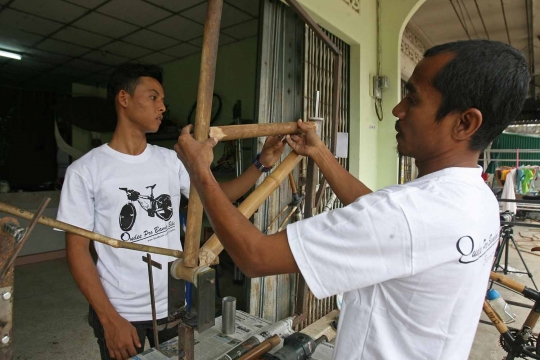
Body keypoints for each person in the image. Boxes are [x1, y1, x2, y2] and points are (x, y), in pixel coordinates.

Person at [173, 40, 529, 359]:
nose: (398, 110)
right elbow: (384, 221)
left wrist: (199, 171)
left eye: (414, 98)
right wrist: (320, 153)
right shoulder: (476, 198)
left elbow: (255, 256)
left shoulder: (408, 214)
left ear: (465, 123)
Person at [57, 63, 285, 360]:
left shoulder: (170, 161)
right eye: (153, 97)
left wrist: (261, 164)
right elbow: (77, 252)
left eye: (162, 100)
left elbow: (220, 195)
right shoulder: (84, 171)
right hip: (122, 311)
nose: (163, 107)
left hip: (174, 303)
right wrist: (109, 319)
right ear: (123, 99)